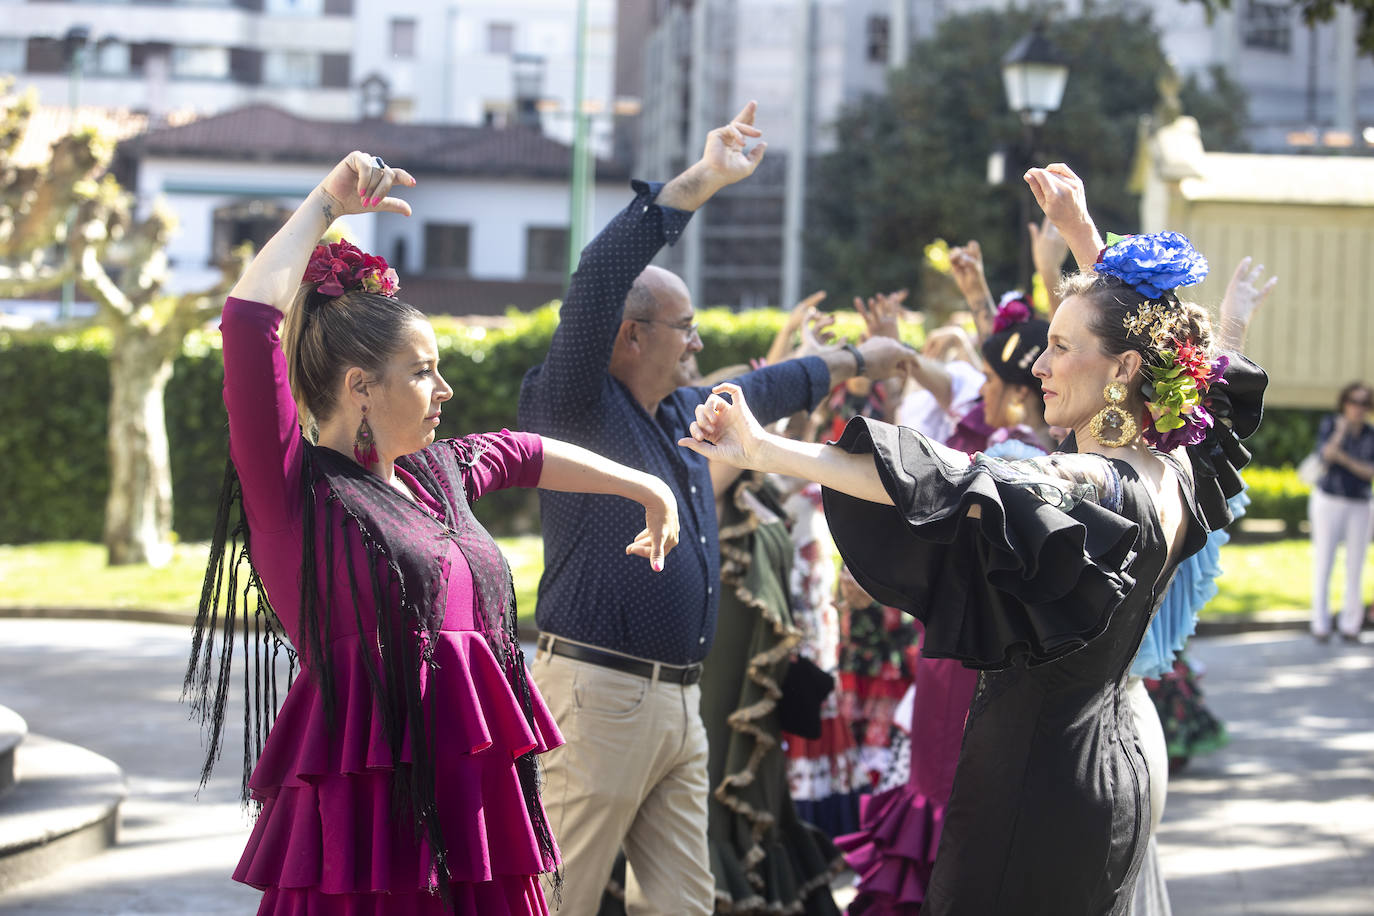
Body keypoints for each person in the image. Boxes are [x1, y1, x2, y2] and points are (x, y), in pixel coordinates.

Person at [680, 162, 1266, 915]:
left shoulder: (1086, 486)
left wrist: (763, 450)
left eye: (1058, 348)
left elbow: (943, 480)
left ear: (1121, 369)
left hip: (1040, 774)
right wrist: (1084, 236)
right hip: (1120, 758)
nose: (1041, 366)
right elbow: (1166, 358)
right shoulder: (1179, 463)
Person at [184, 152, 684, 914]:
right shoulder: (296, 490)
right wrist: (325, 202)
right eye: (424, 373)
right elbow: (249, 322)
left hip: (473, 810)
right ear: (360, 388)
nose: (445, 390)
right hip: (370, 832)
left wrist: (644, 485)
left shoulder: (434, 473)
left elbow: (524, 453)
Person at [516, 103, 912, 914]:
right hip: (599, 697)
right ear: (628, 336)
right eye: (685, 329)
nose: (696, 343)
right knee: (558, 900)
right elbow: (596, 279)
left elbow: (763, 386)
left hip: (678, 705)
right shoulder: (573, 404)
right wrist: (701, 181)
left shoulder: (677, 414)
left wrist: (855, 357)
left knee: (689, 905)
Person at [1309, 380, 1374, 641]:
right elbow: (1325, 456)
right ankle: (1320, 625)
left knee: (1355, 564)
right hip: (1328, 499)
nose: (1356, 408)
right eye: (1352, 402)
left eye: (1362, 403)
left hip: (1360, 502)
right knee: (1324, 561)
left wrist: (1344, 460)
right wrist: (1340, 434)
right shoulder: (1331, 425)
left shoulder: (1370, 434)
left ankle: (1350, 625)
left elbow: (1369, 472)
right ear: (1344, 403)